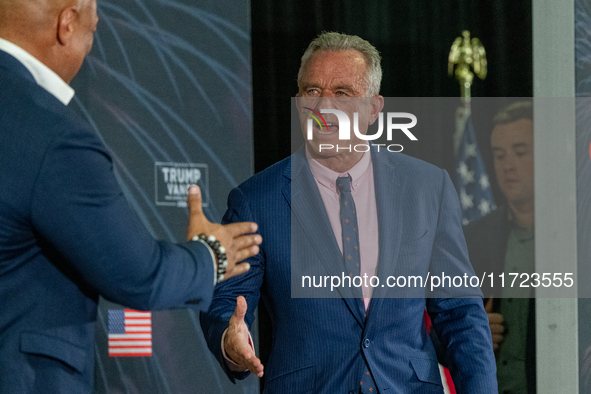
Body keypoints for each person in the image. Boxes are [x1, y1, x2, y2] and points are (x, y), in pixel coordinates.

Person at [200, 32, 497, 393]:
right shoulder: (256, 200)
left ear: (373, 109)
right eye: (312, 91)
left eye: (342, 93)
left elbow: (460, 314)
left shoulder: (427, 188)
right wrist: (230, 342)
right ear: (298, 104)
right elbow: (227, 305)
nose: (324, 106)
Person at [0, 0, 261, 392]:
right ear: (66, 24)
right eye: (92, 15)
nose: (98, 24)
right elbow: (141, 275)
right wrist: (213, 255)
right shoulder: (53, 135)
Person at [463, 101, 535, 394]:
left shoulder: (577, 234)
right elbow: (438, 331)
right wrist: (471, 333)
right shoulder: (474, 237)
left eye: (520, 152)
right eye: (499, 155)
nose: (508, 165)